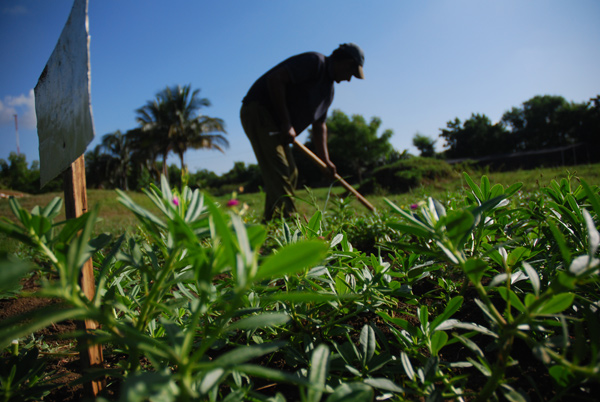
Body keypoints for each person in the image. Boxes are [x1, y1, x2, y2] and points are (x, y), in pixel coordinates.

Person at [240, 43, 365, 220]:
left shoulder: (328, 92)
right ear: (346, 62)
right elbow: (275, 79)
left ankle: (271, 223)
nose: (349, 79)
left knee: (291, 173)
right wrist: (286, 123)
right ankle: (289, 222)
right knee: (280, 169)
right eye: (351, 73)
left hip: (278, 126)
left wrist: (325, 161)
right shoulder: (315, 62)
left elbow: (319, 126)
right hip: (259, 111)